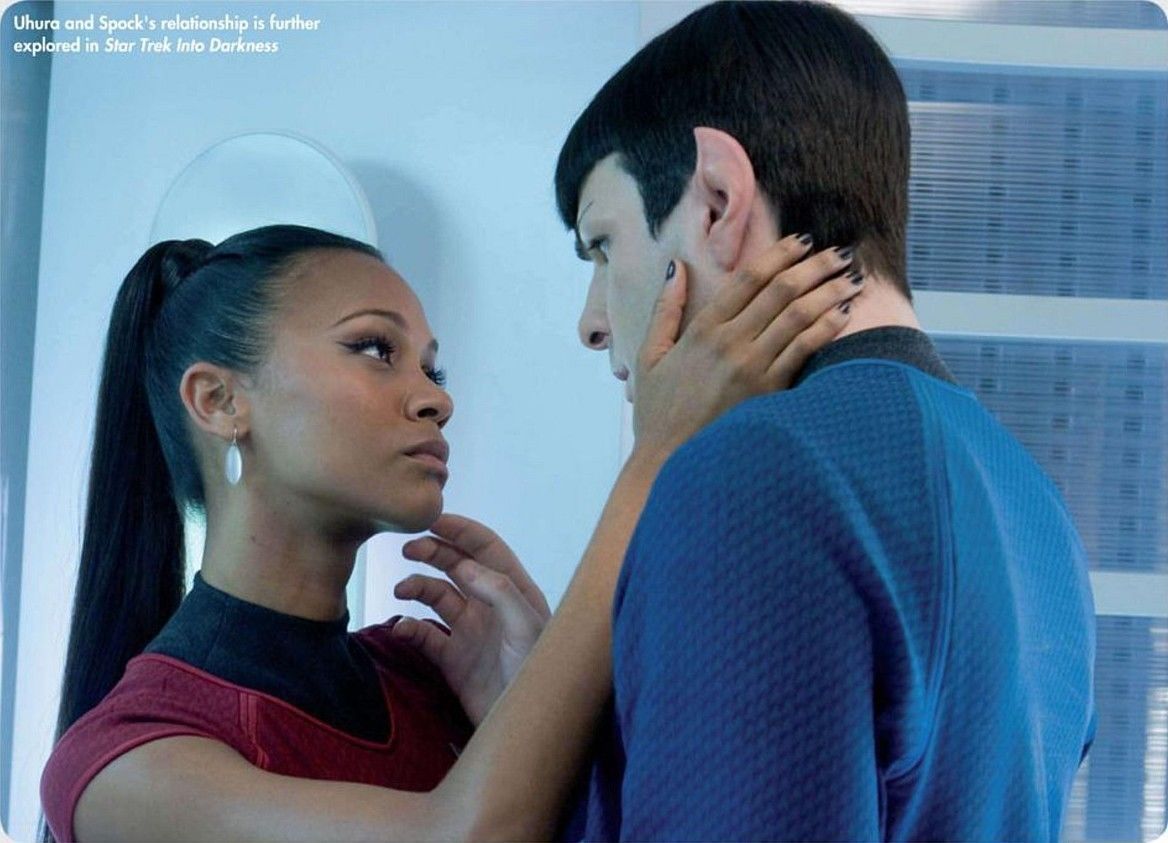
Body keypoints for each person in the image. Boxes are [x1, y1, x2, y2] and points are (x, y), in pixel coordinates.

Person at [39, 223, 864, 841]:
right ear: (219, 401)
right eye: (375, 348)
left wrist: (531, 696)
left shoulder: (429, 677)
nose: (437, 398)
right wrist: (658, 455)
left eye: (432, 367)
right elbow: (464, 835)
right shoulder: (123, 765)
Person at [554, 1, 1097, 840]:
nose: (592, 322)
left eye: (602, 244)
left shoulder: (748, 477)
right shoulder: (1034, 505)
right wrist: (576, 724)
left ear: (715, 201)